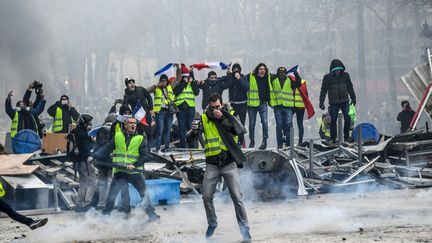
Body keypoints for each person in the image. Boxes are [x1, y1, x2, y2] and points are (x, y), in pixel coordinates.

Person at [186, 93, 251, 242]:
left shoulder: (230, 114)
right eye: (213, 107)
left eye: (218, 106)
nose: (215, 109)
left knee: (237, 197)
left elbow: (240, 130)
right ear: (209, 105)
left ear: (222, 104)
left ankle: (245, 230)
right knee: (207, 197)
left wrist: (222, 118)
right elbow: (190, 138)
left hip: (229, 163)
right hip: (212, 164)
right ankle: (212, 223)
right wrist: (193, 131)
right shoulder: (203, 117)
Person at [91, 116, 160, 220]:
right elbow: (107, 149)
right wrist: (94, 156)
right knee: (112, 195)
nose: (133, 125)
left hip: (134, 173)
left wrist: (135, 165)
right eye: (130, 123)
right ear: (125, 125)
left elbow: (146, 156)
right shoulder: (117, 136)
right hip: (120, 172)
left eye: (134, 123)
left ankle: (151, 214)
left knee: (144, 194)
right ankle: (106, 214)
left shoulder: (140, 138)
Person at [319, 59, 356, 144]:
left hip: (345, 101)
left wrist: (353, 98)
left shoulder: (346, 76)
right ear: (333, 70)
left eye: (339, 69)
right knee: (333, 120)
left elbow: (350, 87)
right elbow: (323, 90)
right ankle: (333, 138)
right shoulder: (327, 78)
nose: (338, 71)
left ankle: (346, 136)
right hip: (333, 103)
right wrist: (321, 102)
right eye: (336, 70)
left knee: (347, 117)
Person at [246, 63, 276, 149]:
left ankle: (264, 141)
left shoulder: (269, 77)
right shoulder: (250, 76)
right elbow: (241, 79)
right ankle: (252, 141)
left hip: (263, 104)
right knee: (252, 123)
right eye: (260, 69)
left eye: (264, 69)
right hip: (252, 104)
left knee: (265, 122)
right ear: (257, 70)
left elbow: (280, 75)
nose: (262, 70)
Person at [71, 114, 97, 212]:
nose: (90, 123)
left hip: (77, 162)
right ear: (84, 122)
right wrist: (93, 141)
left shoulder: (75, 131)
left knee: (83, 183)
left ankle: (78, 204)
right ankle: (87, 203)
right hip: (85, 161)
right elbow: (87, 148)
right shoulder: (83, 133)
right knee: (93, 182)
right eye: (88, 122)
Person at [173, 64, 200, 148]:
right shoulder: (178, 83)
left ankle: (192, 147)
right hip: (181, 108)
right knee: (182, 128)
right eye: (185, 77)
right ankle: (183, 147)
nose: (186, 78)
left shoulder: (192, 83)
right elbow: (176, 92)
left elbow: (196, 92)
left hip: (190, 107)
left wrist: (192, 81)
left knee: (191, 128)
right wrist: (184, 82)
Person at [122, 76, 154, 144]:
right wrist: (128, 114)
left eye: (133, 82)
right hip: (137, 117)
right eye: (130, 83)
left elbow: (149, 97)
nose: (132, 84)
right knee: (140, 133)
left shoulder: (141, 89)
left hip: (146, 114)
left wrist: (151, 108)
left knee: (149, 133)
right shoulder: (126, 95)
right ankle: (141, 148)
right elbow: (125, 106)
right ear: (127, 85)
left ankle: (149, 149)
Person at [225, 63, 249, 147]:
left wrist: (239, 79)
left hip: (242, 104)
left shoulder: (243, 77)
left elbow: (246, 87)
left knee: (241, 124)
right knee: (232, 123)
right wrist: (229, 74)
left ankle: (240, 142)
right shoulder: (231, 77)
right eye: (234, 69)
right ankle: (233, 142)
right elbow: (229, 84)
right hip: (233, 105)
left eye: (237, 69)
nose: (236, 71)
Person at [287, 67, 311, 145]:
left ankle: (296, 141)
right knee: (296, 124)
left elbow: (305, 94)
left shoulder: (301, 82)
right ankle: (294, 140)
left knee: (296, 124)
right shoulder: (301, 82)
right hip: (298, 106)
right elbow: (306, 95)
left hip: (296, 106)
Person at [271, 67, 294, 149]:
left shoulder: (290, 80)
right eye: (280, 72)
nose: (282, 74)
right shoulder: (274, 81)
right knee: (279, 126)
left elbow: (297, 84)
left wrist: (297, 75)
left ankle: (288, 144)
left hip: (288, 106)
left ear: (286, 73)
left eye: (283, 72)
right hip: (278, 106)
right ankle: (279, 144)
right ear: (277, 73)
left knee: (288, 125)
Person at [153, 74, 175, 152]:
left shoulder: (170, 87)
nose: (163, 82)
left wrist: (179, 69)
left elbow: (178, 80)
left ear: (167, 81)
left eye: (165, 80)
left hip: (169, 111)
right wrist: (156, 85)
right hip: (160, 111)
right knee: (160, 131)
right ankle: (158, 148)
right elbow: (147, 91)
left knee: (167, 131)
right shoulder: (156, 89)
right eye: (162, 81)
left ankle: (167, 148)